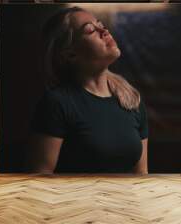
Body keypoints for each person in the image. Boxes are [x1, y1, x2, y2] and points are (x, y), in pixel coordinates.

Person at [31, 6, 148, 174]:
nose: (104, 30)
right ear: (70, 54)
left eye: (100, 24)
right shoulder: (56, 103)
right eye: (91, 30)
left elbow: (142, 173)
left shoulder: (132, 100)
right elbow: (38, 178)